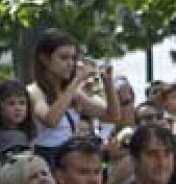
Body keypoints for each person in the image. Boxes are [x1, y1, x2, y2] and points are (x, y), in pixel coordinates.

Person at [28, 30, 120, 165]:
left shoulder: (73, 92)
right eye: (63, 58)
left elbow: (112, 116)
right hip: (45, 159)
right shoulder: (34, 91)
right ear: (45, 59)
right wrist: (76, 80)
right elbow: (51, 120)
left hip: (68, 159)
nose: (70, 63)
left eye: (73, 58)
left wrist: (108, 83)